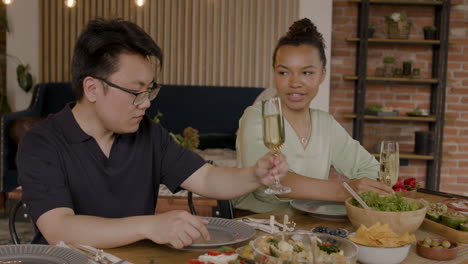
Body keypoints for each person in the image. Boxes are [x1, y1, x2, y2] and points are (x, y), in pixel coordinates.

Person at [16, 18, 288, 249]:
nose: (146, 103)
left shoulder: (147, 133)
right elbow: (59, 229)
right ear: (92, 89)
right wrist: (150, 225)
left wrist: (254, 175)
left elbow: (206, 178)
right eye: (136, 92)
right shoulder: (42, 142)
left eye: (150, 90)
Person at [233, 18, 393, 214]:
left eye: (307, 73)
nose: (295, 83)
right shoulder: (258, 117)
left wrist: (368, 188)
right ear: (274, 73)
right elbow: (268, 182)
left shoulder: (325, 123)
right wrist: (345, 190)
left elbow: (370, 168)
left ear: (322, 75)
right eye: (284, 72)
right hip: (257, 224)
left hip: (310, 226)